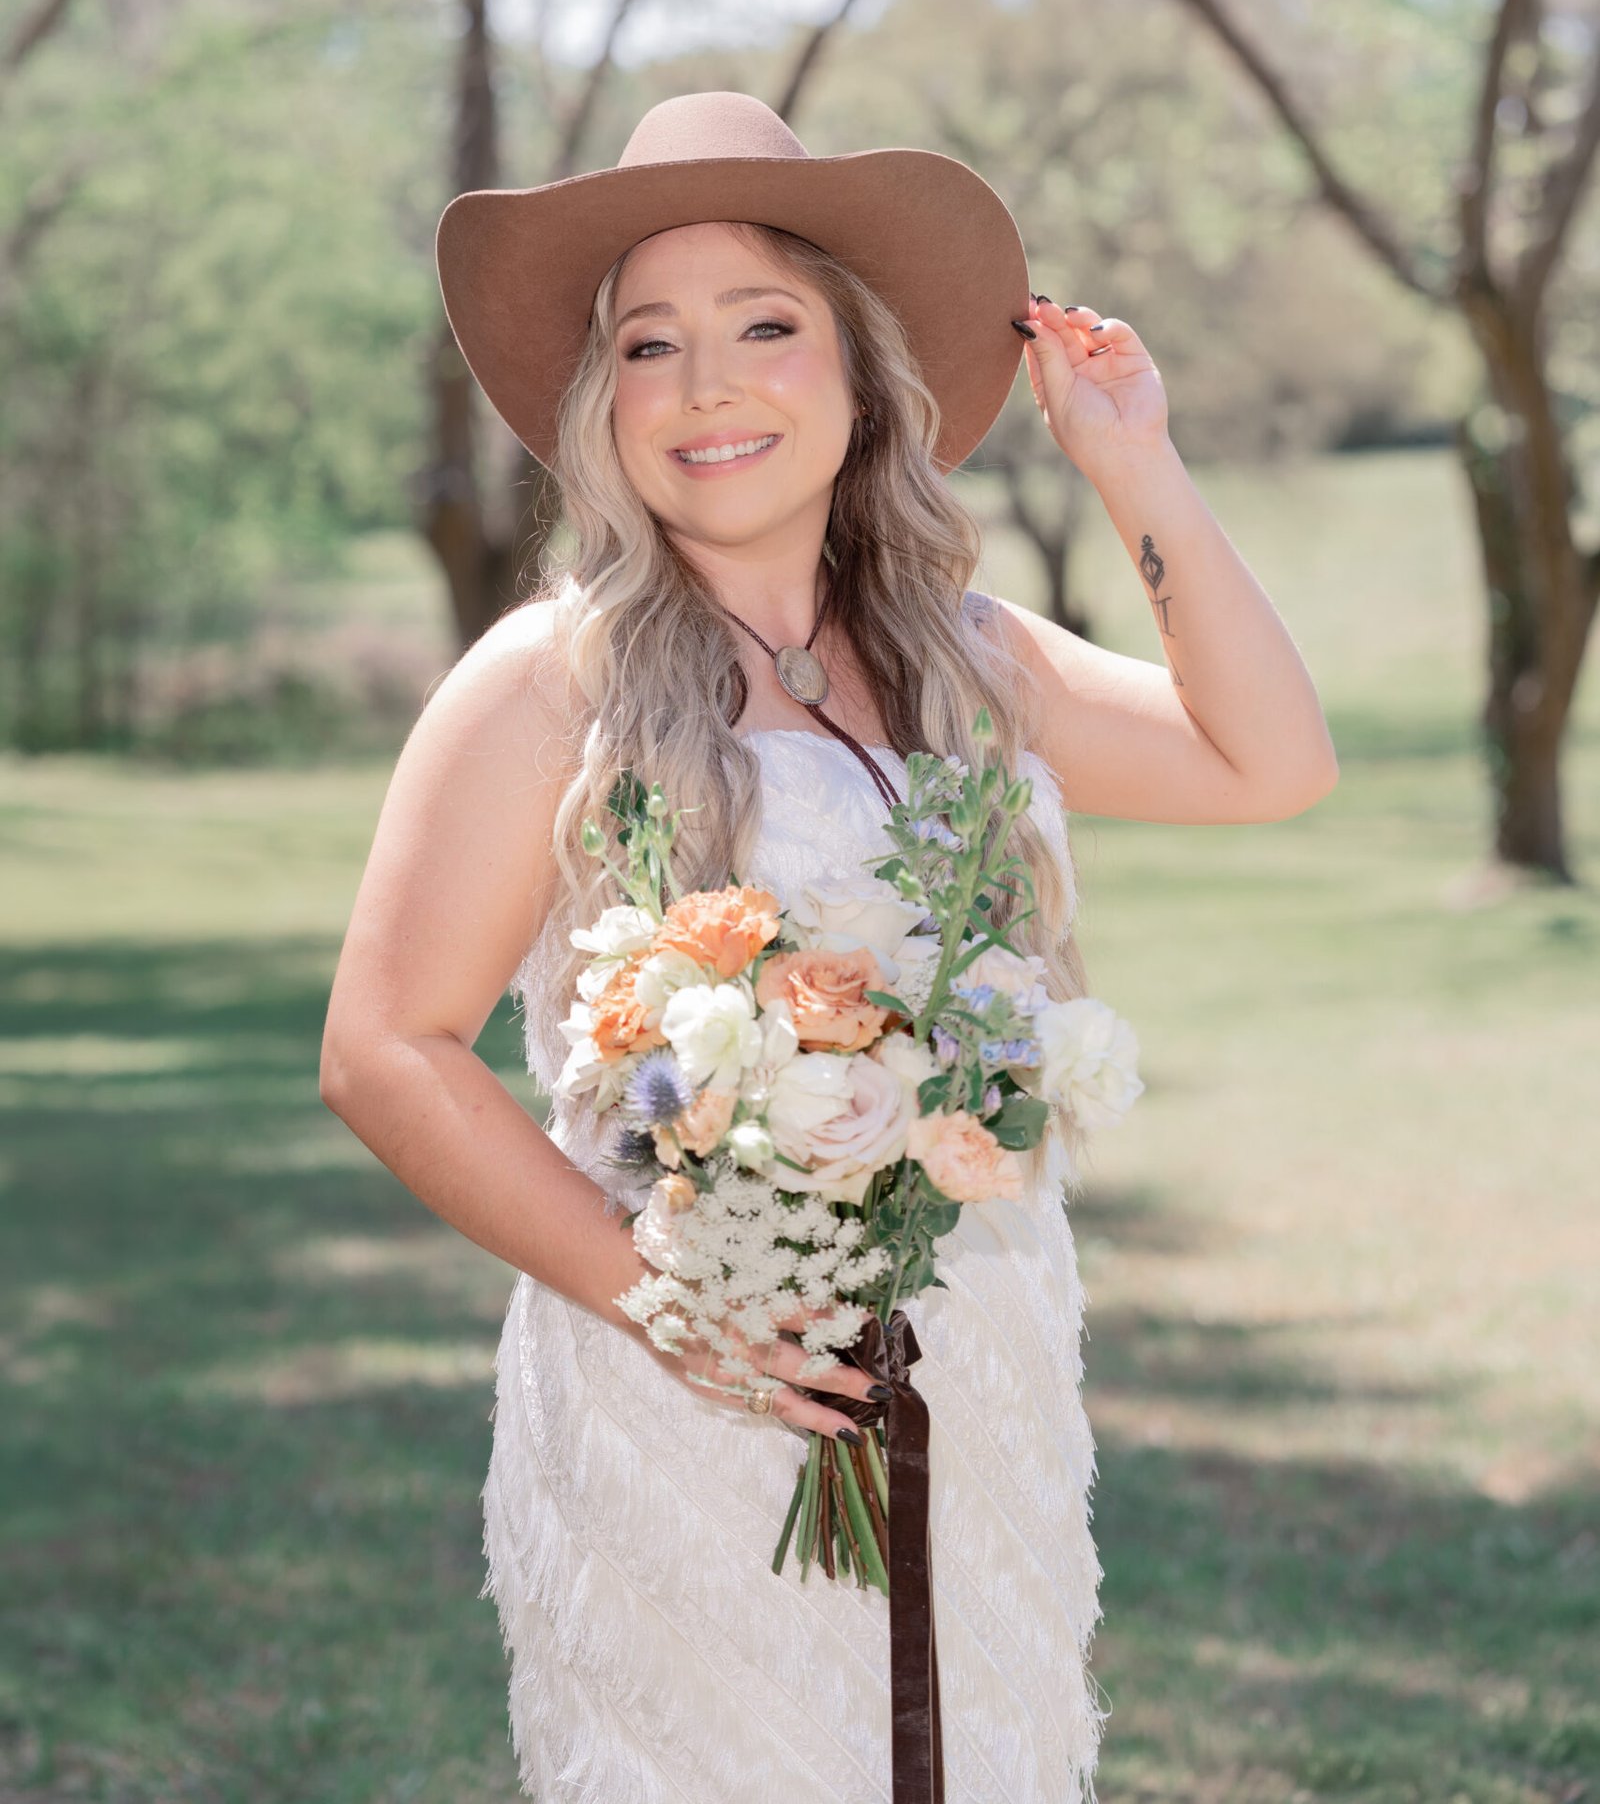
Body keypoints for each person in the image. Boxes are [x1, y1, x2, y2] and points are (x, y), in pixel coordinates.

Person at [319, 91, 1339, 1804]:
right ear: (606, 407)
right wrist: (666, 1302)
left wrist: (1132, 462)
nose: (706, 385)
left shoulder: (965, 656)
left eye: (764, 327)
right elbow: (383, 1048)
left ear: (861, 372)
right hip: (693, 1388)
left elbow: (1273, 761)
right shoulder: (551, 681)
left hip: (984, 1350)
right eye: (649, 346)